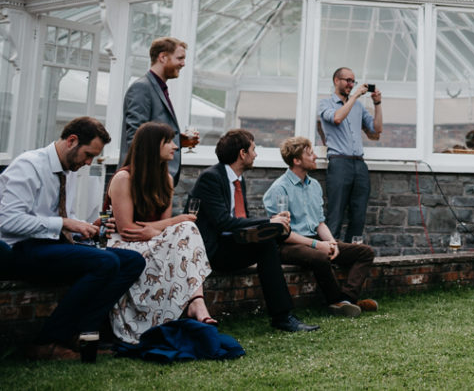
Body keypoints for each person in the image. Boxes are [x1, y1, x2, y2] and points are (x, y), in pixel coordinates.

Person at [0, 117, 145, 360]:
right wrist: (65, 223)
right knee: (105, 262)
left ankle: (81, 334)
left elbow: (65, 218)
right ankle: (46, 342)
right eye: (88, 155)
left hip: (55, 246)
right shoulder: (28, 166)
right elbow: (7, 221)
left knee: (132, 261)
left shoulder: (70, 170)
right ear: (72, 141)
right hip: (21, 250)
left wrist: (88, 228)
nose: (89, 162)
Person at [188, 129, 318, 333]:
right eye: (253, 150)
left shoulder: (239, 180)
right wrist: (269, 220)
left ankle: (282, 317)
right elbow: (223, 222)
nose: (256, 155)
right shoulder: (211, 178)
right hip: (211, 252)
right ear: (242, 153)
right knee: (267, 242)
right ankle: (282, 316)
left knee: (268, 242)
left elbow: (242, 222)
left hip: (232, 244)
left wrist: (273, 227)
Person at [105, 122, 214, 343]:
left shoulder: (167, 179)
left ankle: (196, 301)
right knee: (186, 226)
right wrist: (177, 220)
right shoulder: (123, 178)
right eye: (169, 142)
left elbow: (163, 228)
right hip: (125, 243)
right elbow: (127, 229)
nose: (175, 147)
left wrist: (157, 229)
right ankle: (196, 303)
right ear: (153, 146)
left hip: (150, 239)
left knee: (186, 229)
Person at [263, 136, 378, 318]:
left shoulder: (314, 185)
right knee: (320, 255)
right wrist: (318, 246)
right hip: (288, 245)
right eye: (310, 154)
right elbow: (283, 234)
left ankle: (347, 300)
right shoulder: (279, 188)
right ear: (296, 160)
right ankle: (335, 301)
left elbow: (319, 223)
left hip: (314, 241)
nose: (315, 156)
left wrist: (331, 243)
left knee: (365, 252)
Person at [318, 67, 382, 242]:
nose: (351, 84)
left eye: (353, 81)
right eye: (347, 80)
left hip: (359, 164)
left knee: (359, 214)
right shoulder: (325, 104)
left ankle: (351, 254)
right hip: (339, 162)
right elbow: (337, 118)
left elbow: (377, 129)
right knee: (336, 213)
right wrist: (355, 96)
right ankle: (330, 255)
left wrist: (377, 104)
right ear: (336, 81)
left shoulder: (358, 107)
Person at [122, 37, 187, 186]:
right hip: (146, 180)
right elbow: (136, 138)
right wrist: (150, 182)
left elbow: (153, 135)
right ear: (163, 57)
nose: (183, 64)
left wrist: (178, 140)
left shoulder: (159, 88)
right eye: (180, 58)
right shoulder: (142, 87)